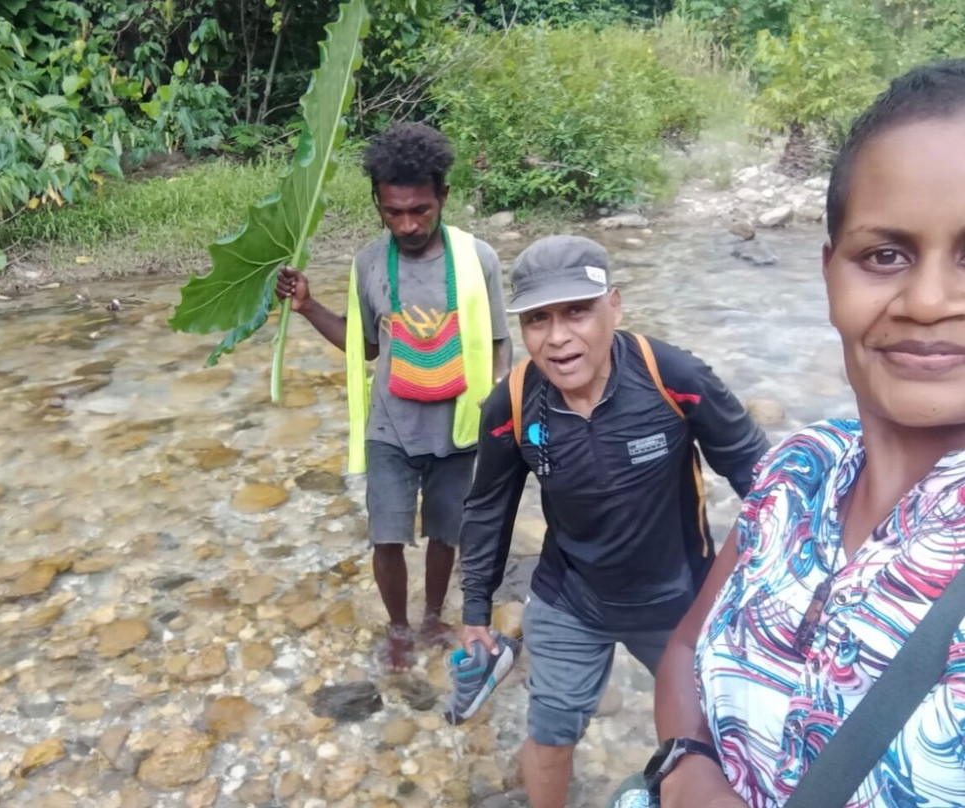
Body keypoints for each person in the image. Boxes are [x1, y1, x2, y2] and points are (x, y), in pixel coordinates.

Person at [638, 58, 965, 808]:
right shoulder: (798, 470)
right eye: (885, 255)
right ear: (830, 274)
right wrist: (686, 769)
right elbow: (686, 644)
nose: (927, 300)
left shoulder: (668, 370)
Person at [457, 234, 768, 808]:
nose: (557, 337)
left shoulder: (672, 376)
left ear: (615, 307)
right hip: (569, 598)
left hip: (679, 604)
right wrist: (475, 609)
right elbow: (487, 507)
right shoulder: (515, 401)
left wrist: (790, 581)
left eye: (578, 311)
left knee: (717, 744)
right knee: (550, 733)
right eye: (537, 319)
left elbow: (759, 475)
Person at [276, 121, 511, 670]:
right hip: (391, 428)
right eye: (394, 212)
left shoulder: (479, 260)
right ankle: (400, 629)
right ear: (377, 204)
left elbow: (500, 347)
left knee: (445, 534)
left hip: (459, 427)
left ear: (443, 197)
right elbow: (365, 348)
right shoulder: (367, 263)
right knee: (387, 536)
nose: (407, 224)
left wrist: (500, 420)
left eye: (420, 210)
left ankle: (433, 616)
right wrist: (309, 307)